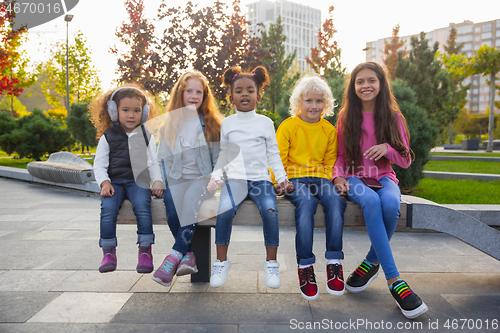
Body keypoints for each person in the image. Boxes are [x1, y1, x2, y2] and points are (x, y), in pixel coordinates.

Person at [332, 61, 427, 319]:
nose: (365, 86)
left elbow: (406, 160)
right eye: (359, 81)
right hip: (354, 177)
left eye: (371, 80)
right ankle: (394, 281)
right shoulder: (345, 116)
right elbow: (340, 156)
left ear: (381, 84)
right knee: (371, 202)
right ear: (353, 86)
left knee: (390, 204)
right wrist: (338, 176)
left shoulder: (393, 117)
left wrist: (388, 149)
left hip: (384, 176)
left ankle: (370, 263)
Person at [207, 66, 293, 289]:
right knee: (224, 210)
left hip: (261, 181)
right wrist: (215, 176)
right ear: (231, 97)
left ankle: (271, 264)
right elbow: (223, 154)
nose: (244, 94)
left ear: (258, 96)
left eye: (250, 90)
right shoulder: (228, 123)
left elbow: (273, 153)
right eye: (239, 91)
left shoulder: (265, 123)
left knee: (270, 210)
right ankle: (221, 262)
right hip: (234, 180)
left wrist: (282, 178)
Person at [274, 76, 344, 301]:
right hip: (295, 178)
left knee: (335, 200)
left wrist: (333, 180)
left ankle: (334, 262)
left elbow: (330, 161)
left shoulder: (328, 130)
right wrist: (279, 180)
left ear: (326, 104)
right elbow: (277, 158)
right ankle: (305, 267)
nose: (314, 106)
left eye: (319, 101)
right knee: (307, 203)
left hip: (322, 178)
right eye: (309, 101)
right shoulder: (289, 126)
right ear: (299, 102)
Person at [152, 71, 223, 287]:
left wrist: (218, 178)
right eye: (189, 91)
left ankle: (173, 257)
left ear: (205, 96)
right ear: (181, 94)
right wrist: (159, 181)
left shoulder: (212, 124)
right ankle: (188, 254)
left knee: (192, 198)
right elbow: (162, 159)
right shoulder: (170, 125)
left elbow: (221, 157)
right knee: (172, 205)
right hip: (177, 177)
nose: (193, 95)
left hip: (204, 179)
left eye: (198, 92)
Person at [90, 84, 164, 274]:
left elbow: (153, 163)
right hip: (114, 182)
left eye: (136, 111)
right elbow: (99, 164)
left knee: (142, 206)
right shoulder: (108, 136)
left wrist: (157, 181)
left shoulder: (146, 136)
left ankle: (145, 251)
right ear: (114, 112)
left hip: (138, 182)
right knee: (108, 208)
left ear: (144, 113)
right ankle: (108, 252)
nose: (131, 115)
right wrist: (104, 182)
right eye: (125, 110)